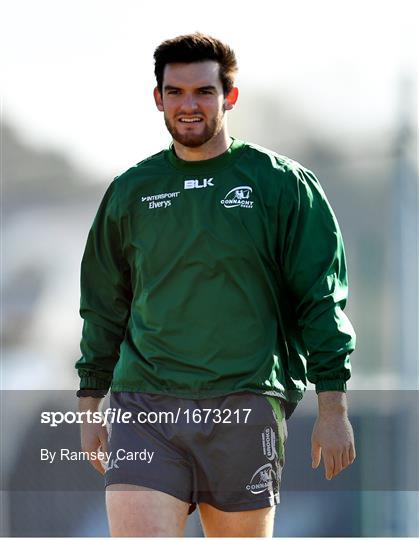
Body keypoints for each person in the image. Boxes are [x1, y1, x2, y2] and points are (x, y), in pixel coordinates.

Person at [75, 32, 356, 537]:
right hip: (146, 404)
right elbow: (102, 305)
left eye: (204, 91)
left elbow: (321, 298)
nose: (189, 105)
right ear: (158, 98)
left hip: (245, 401)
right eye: (176, 92)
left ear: (229, 96)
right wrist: (90, 403)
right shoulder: (131, 192)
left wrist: (333, 406)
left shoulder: (281, 184)